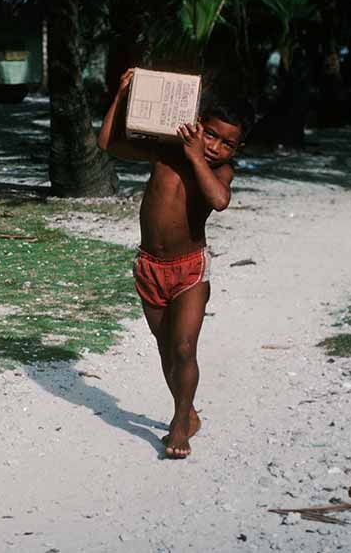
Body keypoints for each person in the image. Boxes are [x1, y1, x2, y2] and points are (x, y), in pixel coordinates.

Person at [97, 69, 247, 459]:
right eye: (210, 135)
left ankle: (179, 423)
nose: (216, 147)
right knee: (166, 349)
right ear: (197, 126)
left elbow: (218, 200)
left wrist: (197, 156)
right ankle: (190, 411)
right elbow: (108, 142)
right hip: (150, 266)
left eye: (227, 143)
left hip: (190, 269)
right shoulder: (165, 152)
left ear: (236, 150)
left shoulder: (218, 170)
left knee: (183, 346)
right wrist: (122, 94)